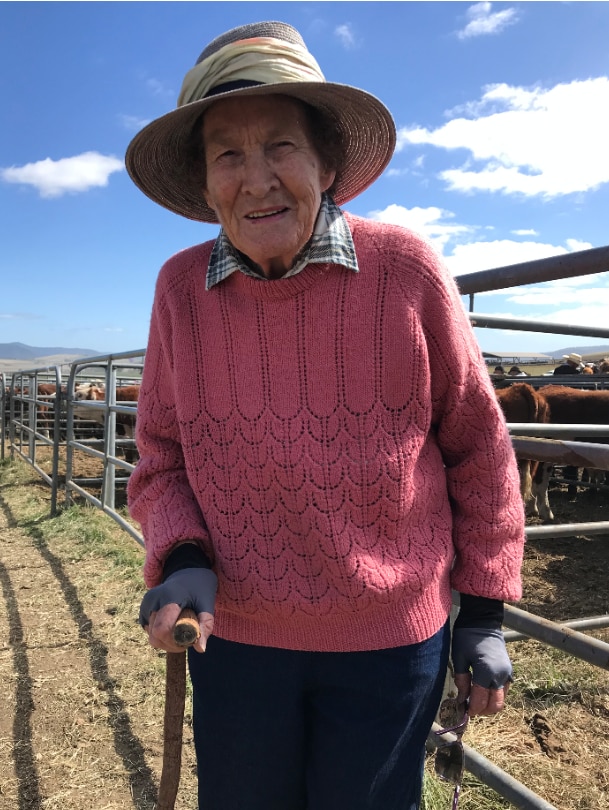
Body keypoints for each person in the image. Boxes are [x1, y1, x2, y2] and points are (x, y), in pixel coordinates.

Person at [125, 21, 525, 810]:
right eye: (228, 155)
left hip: (387, 641)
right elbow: (161, 454)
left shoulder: (404, 270)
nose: (256, 178)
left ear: (329, 165)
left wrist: (481, 611)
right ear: (206, 185)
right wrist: (182, 555)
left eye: (281, 146)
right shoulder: (179, 290)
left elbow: (477, 442)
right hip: (236, 638)